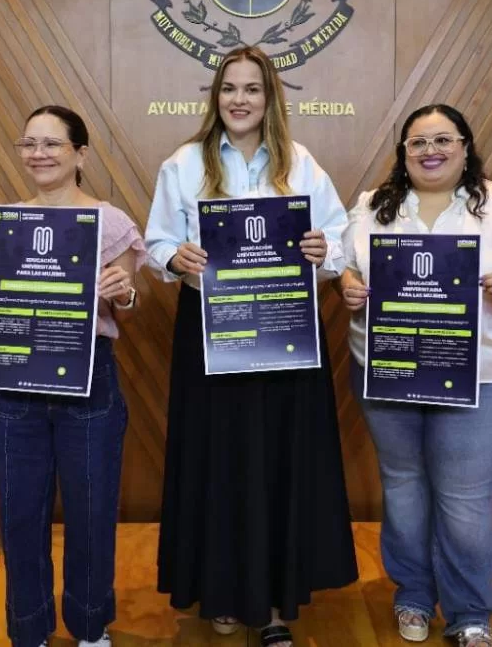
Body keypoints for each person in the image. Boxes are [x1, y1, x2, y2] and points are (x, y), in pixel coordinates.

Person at [145, 46, 358, 647]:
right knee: (218, 461)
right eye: (229, 88)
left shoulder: (301, 162)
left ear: (270, 99)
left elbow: (338, 238)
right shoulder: (184, 163)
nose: (239, 100)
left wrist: (323, 251)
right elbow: (158, 242)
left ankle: (273, 604)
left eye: (252, 89)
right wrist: (175, 257)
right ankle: (222, 592)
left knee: (279, 460)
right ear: (216, 97)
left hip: (286, 329)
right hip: (211, 330)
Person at [338, 104, 492, 647]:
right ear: (403, 152)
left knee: (463, 498)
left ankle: (470, 612)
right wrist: (349, 286)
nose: (430, 151)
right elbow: (348, 266)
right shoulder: (372, 206)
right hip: (388, 370)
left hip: (480, 375)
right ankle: (412, 595)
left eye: (442, 140)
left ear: (464, 146)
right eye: (418, 142)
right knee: (403, 487)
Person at [0, 105, 145, 647]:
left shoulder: (110, 222)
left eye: (51, 144)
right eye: (29, 144)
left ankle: (90, 626)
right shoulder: (3, 224)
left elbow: (129, 305)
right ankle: (29, 630)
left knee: (91, 510)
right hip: (15, 380)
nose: (38, 154)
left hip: (88, 380)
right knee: (20, 514)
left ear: (80, 154)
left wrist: (123, 294)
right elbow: (5, 306)